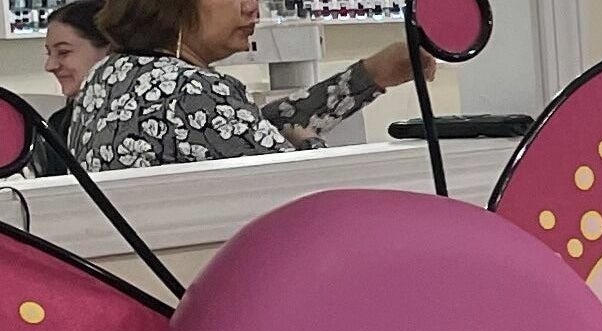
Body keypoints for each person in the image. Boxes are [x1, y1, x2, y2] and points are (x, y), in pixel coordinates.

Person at [68, 0, 430, 172]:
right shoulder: (190, 90)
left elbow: (248, 126)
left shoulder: (109, 75)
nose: (251, 8)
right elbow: (302, 186)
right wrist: (308, 146)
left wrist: (370, 76)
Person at [19, 3, 108, 177]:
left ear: (109, 50)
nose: (50, 66)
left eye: (64, 52)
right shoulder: (59, 125)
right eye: (49, 54)